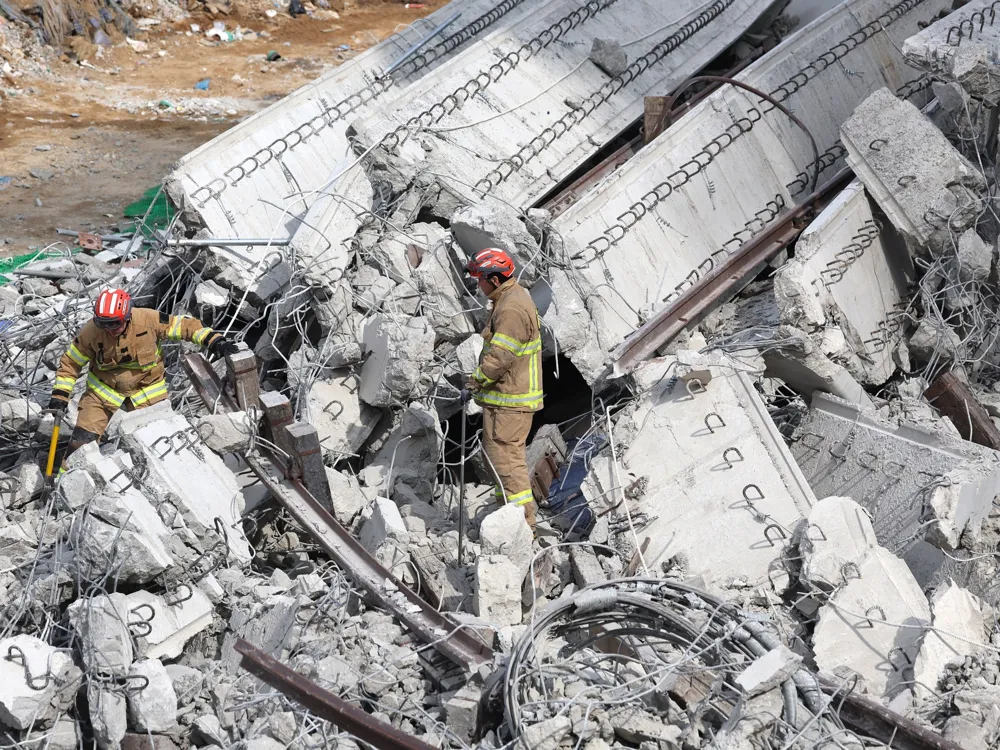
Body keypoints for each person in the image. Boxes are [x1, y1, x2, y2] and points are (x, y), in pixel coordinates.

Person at [47, 288, 239, 464]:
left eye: (115, 323)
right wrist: (60, 396)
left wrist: (214, 341)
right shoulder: (92, 332)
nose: (109, 329)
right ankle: (64, 481)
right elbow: (70, 364)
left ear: (127, 316)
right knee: (82, 442)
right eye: (103, 323)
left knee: (158, 442)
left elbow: (185, 327)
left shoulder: (147, 320)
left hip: (147, 390)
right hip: (103, 391)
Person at [463, 248, 543, 530]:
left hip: (511, 402)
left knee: (508, 465)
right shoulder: (509, 297)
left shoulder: (510, 309)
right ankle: (508, 516)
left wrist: (474, 381)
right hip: (504, 401)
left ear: (495, 280)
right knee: (497, 461)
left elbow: (499, 358)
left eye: (480, 279)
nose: (477, 284)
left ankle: (523, 527)